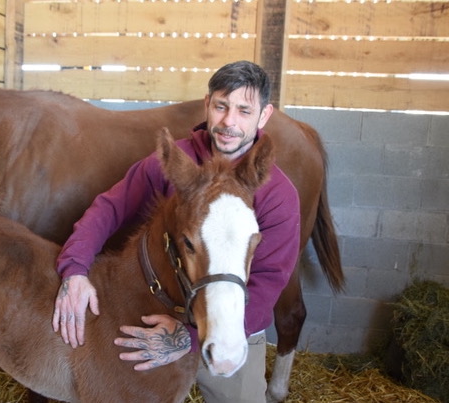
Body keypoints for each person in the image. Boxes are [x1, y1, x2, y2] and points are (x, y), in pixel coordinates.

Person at [52, 60, 300, 402]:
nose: (229, 121)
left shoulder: (278, 196)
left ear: (264, 115)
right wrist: (75, 269)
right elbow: (111, 207)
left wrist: (188, 338)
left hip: (233, 325)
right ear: (207, 105)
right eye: (221, 106)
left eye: (244, 110)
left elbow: (269, 281)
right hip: (159, 314)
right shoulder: (172, 163)